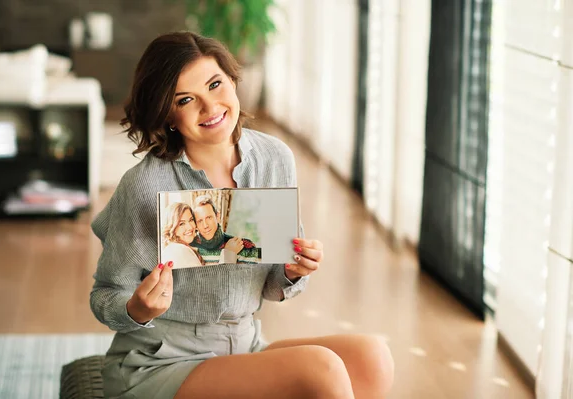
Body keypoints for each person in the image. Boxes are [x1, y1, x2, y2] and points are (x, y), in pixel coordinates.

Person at [90, 31, 394, 399]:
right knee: (321, 369)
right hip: (160, 360)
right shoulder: (143, 185)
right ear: (168, 114)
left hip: (242, 343)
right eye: (186, 99)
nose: (210, 107)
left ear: (233, 81)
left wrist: (293, 270)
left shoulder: (274, 159)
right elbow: (106, 295)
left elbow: (271, 285)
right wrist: (137, 308)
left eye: (215, 84)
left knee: (372, 357)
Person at [161, 202, 243, 267]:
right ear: (172, 227)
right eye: (181, 224)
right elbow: (207, 285)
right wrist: (229, 253)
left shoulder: (178, 248)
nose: (190, 227)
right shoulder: (179, 250)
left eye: (191, 220)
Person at [190, 195, 262, 264]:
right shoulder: (191, 248)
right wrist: (228, 253)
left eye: (209, 218)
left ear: (217, 217)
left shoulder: (245, 246)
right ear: (195, 224)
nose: (205, 225)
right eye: (200, 221)